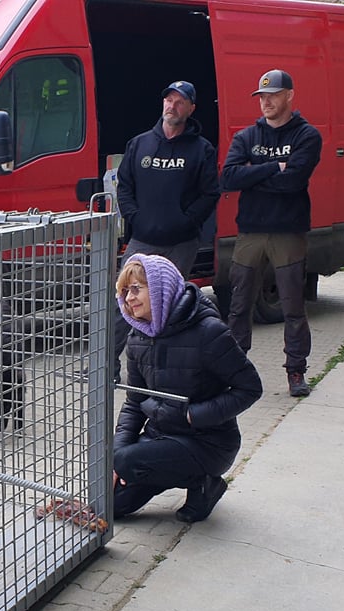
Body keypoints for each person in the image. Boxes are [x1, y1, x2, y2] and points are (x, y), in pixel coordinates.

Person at [112, 254, 262, 522]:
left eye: (136, 289)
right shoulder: (137, 338)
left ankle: (204, 482)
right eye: (124, 291)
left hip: (207, 442)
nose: (129, 298)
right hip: (160, 438)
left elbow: (250, 388)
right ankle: (165, 472)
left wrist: (195, 415)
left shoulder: (208, 332)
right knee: (112, 504)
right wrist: (116, 456)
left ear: (160, 289)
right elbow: (135, 402)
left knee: (128, 461)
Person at [220, 69, 322, 397]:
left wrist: (254, 175)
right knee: (239, 305)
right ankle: (234, 369)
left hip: (287, 232)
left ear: (289, 96)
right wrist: (272, 168)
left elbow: (294, 181)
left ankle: (296, 371)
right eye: (262, 96)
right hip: (250, 231)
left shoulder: (308, 136)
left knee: (292, 305)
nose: (266, 102)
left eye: (273, 95)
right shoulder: (246, 137)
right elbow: (229, 179)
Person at [112, 80, 220, 383]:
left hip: (180, 244)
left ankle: (159, 370)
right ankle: (108, 367)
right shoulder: (140, 144)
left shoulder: (201, 149)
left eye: (180, 102)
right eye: (169, 100)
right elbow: (125, 187)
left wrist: (187, 221)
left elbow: (210, 193)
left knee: (167, 306)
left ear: (191, 109)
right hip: (142, 240)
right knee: (123, 302)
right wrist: (136, 219)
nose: (173, 106)